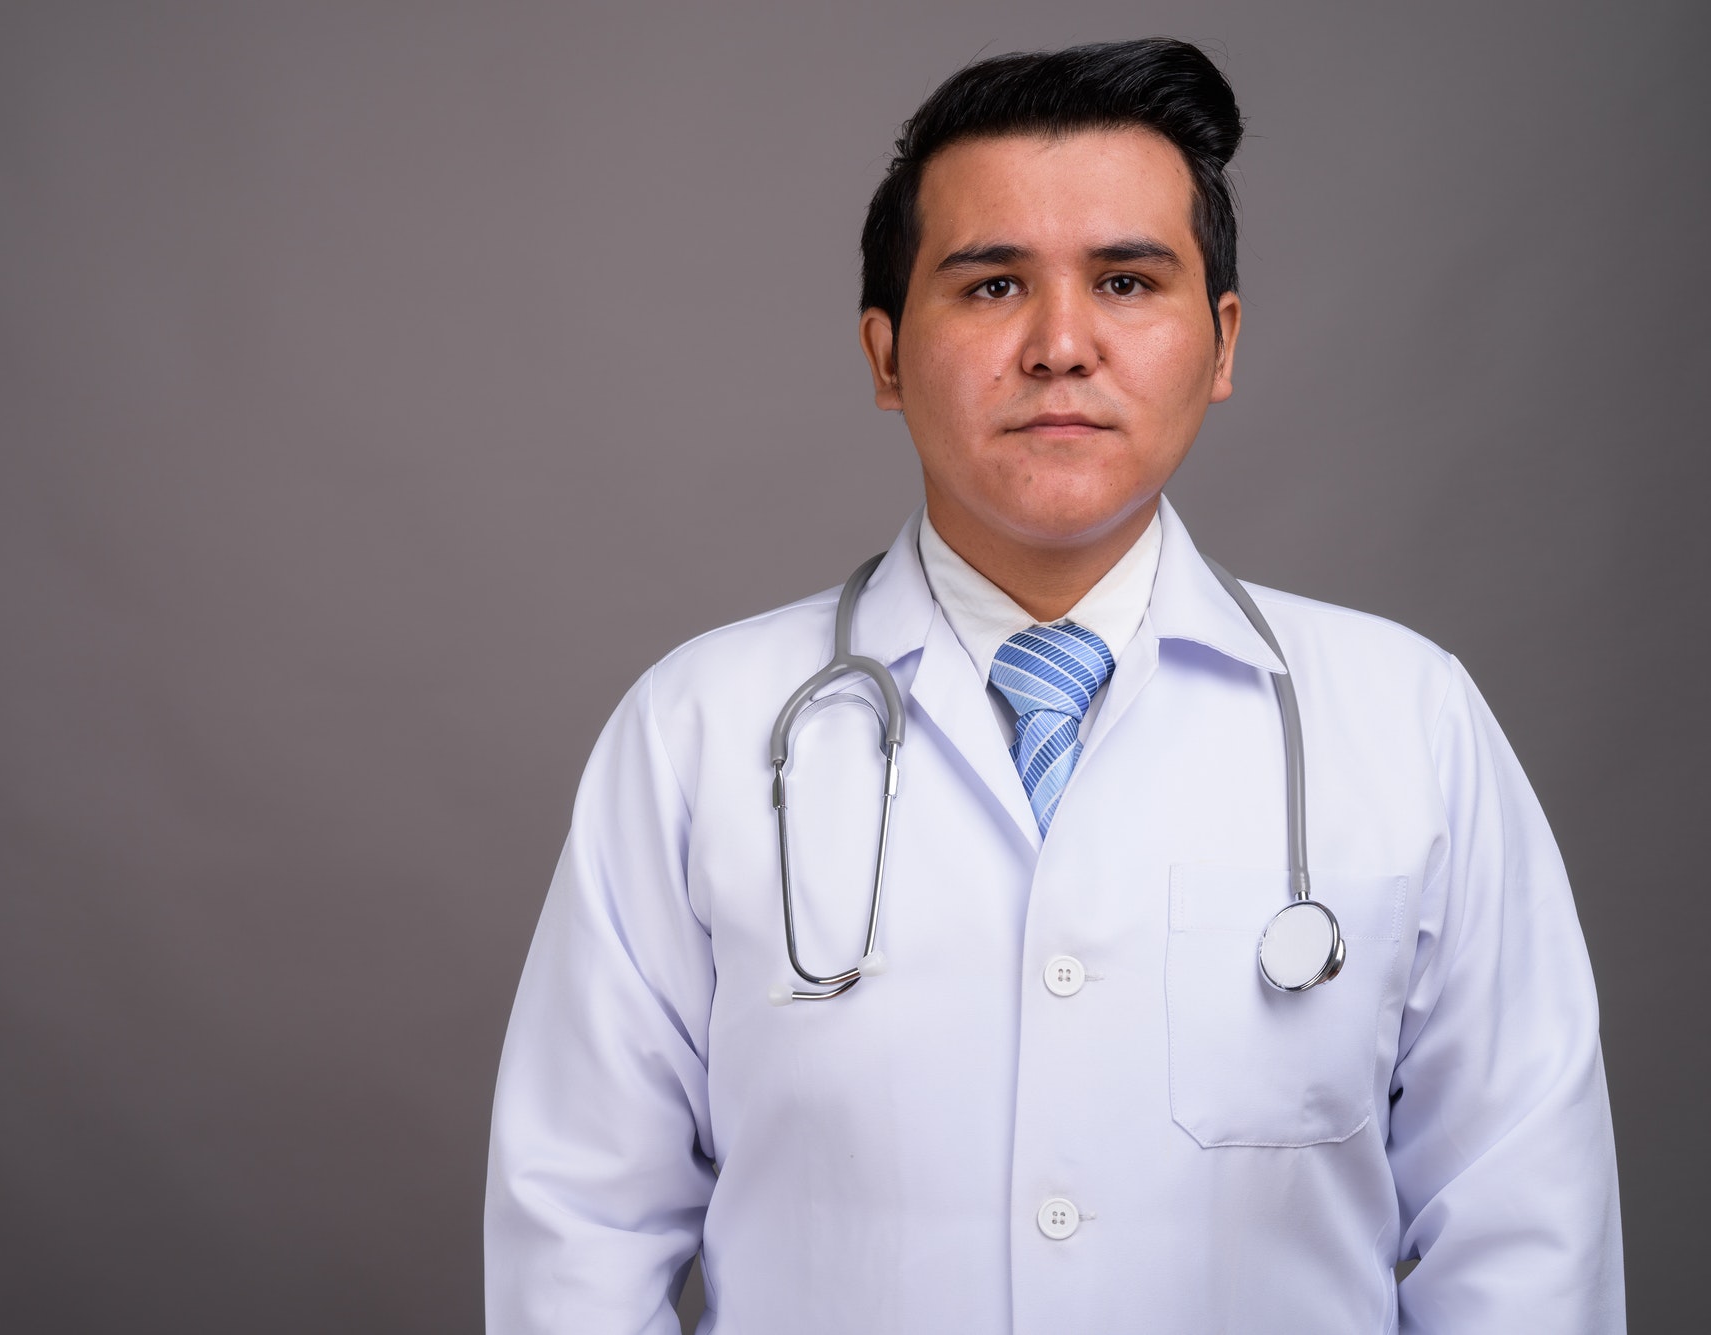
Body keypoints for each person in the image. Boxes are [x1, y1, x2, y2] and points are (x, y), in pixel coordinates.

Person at [483, 38, 1624, 1333]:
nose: (1061, 343)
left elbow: (1528, 1236)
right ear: (886, 354)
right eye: (990, 287)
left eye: (1128, 280)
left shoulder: (1409, 722)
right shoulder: (696, 732)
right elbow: (580, 1234)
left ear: (1222, 339)